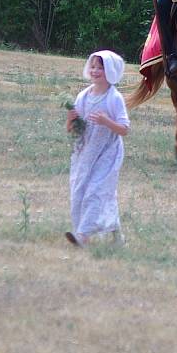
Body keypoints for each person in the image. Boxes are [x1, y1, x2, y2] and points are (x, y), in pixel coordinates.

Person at [66, 50, 130, 246]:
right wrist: (71, 121)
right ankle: (117, 236)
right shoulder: (83, 96)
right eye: (93, 66)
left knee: (96, 192)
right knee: (79, 192)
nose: (95, 71)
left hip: (107, 154)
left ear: (110, 71)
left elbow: (124, 129)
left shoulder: (114, 98)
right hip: (85, 153)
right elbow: (73, 131)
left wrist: (106, 121)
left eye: (100, 67)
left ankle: (82, 236)